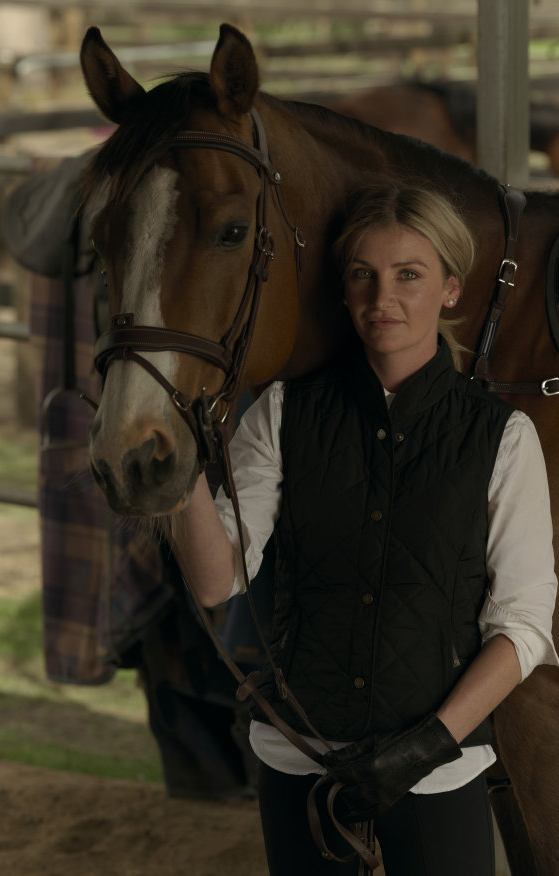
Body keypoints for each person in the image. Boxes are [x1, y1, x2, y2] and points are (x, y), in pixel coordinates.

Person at [171, 181, 558, 876]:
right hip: (300, 755)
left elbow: (524, 624)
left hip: (439, 766)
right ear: (344, 292)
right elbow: (214, 578)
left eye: (409, 275)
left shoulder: (503, 437)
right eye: (363, 276)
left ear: (449, 289)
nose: (383, 298)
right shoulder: (283, 413)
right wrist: (179, 469)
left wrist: (428, 744)